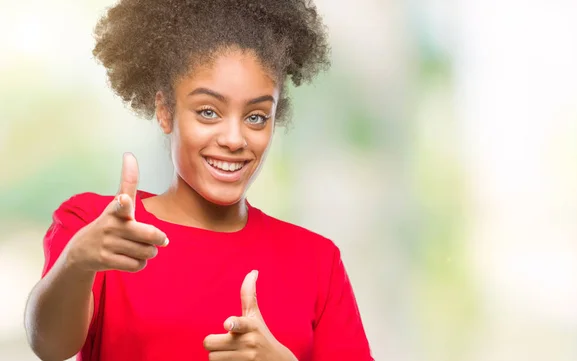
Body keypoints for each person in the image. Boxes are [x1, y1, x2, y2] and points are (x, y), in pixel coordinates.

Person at [24, 1, 373, 360]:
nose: (235, 139)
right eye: (208, 112)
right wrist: (77, 263)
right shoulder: (99, 227)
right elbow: (50, 347)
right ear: (165, 111)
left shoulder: (315, 262)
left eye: (256, 117)